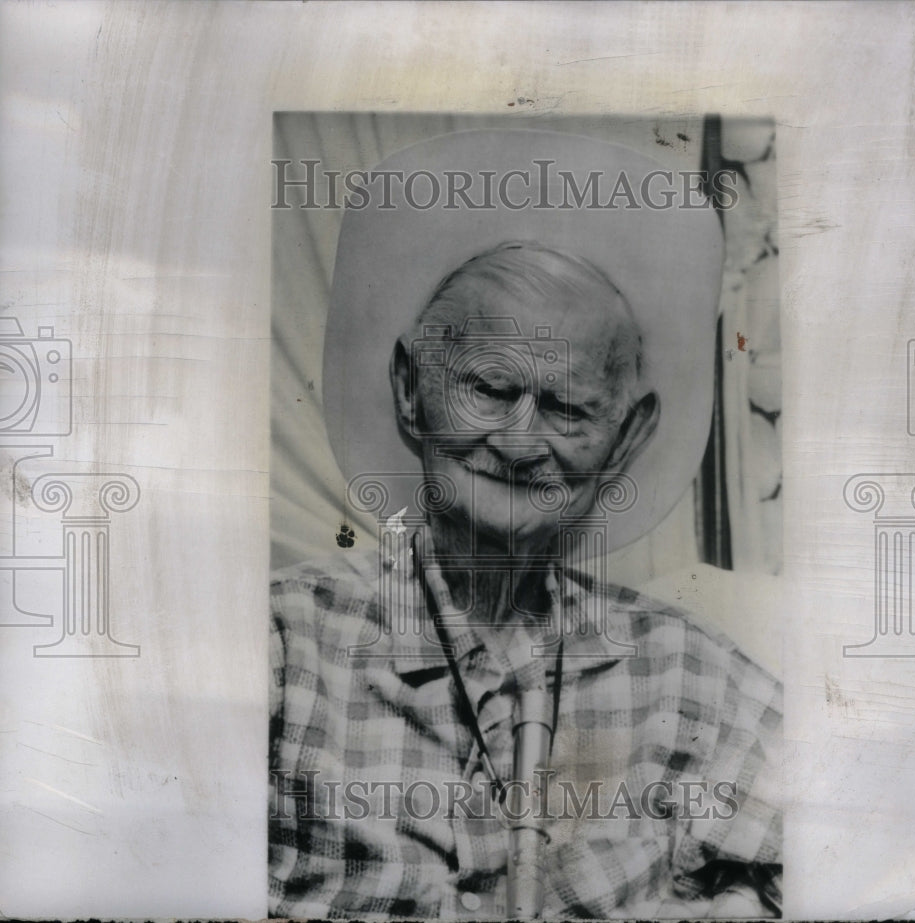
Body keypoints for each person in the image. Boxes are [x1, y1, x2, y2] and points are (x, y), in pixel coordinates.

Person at [270, 130, 782, 919]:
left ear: (628, 435)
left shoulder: (691, 681)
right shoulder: (284, 651)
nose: (517, 442)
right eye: (487, 386)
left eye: (567, 407)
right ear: (410, 389)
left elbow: (876, 849)